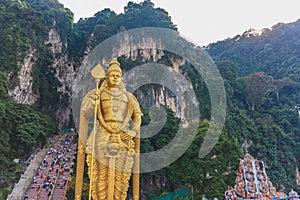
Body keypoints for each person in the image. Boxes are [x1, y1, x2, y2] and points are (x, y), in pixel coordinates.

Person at [75, 58, 142, 200]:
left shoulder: (129, 97)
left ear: (122, 78)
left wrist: (133, 131)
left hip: (122, 136)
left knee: (121, 177)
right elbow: (86, 113)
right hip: (102, 135)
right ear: (106, 76)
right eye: (113, 75)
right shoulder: (99, 93)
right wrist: (93, 103)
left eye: (118, 76)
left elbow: (137, 116)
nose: (115, 78)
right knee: (100, 175)